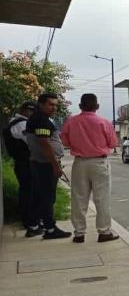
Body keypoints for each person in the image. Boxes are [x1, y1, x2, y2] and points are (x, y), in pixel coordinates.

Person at [60, 94, 119, 243]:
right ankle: (104, 231)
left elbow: (65, 141)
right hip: (99, 163)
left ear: (80, 106)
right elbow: (112, 143)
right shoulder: (104, 122)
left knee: (79, 198)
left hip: (79, 162)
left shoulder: (71, 122)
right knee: (102, 198)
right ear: (97, 106)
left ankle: (79, 233)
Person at [25, 93, 71, 239]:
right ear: (41, 104)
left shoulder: (39, 118)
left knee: (39, 196)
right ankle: (50, 229)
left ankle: (34, 225)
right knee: (47, 197)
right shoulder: (41, 120)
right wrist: (55, 165)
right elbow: (44, 143)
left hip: (40, 163)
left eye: (55, 105)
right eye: (50, 104)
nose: (54, 107)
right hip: (44, 164)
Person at [2, 101, 41, 236]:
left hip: (22, 163)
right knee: (30, 193)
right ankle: (31, 223)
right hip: (27, 163)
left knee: (26, 192)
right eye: (33, 112)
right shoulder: (22, 124)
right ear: (27, 110)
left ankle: (30, 220)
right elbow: (33, 143)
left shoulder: (14, 122)